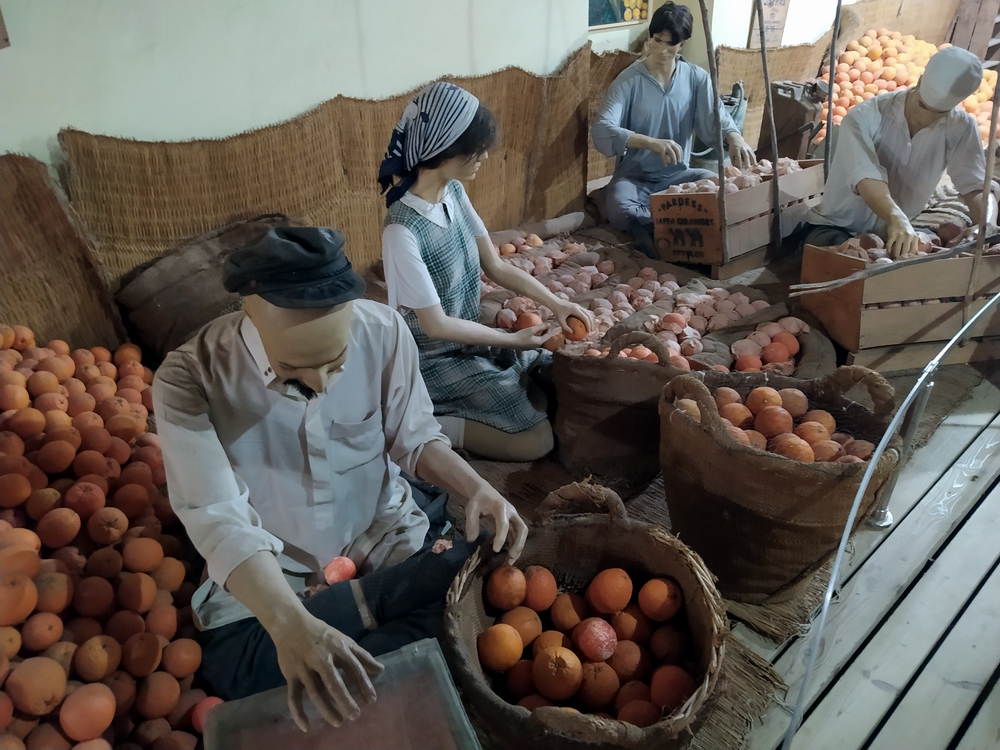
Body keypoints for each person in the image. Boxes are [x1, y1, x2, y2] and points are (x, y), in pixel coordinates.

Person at [153, 226, 528, 732]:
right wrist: (289, 625)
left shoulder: (384, 331)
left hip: (379, 531)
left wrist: (475, 486)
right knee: (239, 671)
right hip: (277, 569)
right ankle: (392, 607)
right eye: (294, 371)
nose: (321, 384)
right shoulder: (188, 380)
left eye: (337, 364)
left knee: (477, 616)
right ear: (252, 316)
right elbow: (220, 520)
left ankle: (369, 615)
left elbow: (414, 436)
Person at [378, 81, 594, 463]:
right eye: (477, 150)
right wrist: (512, 340)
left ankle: (467, 402)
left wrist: (557, 303)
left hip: (470, 339)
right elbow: (437, 326)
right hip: (432, 358)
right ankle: (427, 425)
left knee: (553, 377)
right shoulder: (402, 230)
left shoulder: (454, 195)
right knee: (536, 441)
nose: (485, 158)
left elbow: (494, 265)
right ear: (444, 149)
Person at [592, 1, 757, 256]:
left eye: (671, 45)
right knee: (620, 208)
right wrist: (650, 142)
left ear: (682, 44)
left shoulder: (696, 78)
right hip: (636, 180)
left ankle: (660, 222)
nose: (662, 50)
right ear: (651, 37)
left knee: (714, 187)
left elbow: (717, 117)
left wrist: (734, 137)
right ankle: (671, 220)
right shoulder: (629, 80)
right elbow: (603, 127)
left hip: (678, 178)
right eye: (657, 40)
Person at [803, 45, 997, 256]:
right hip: (837, 227)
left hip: (898, 235)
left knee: (928, 262)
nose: (927, 118)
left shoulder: (961, 126)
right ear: (920, 81)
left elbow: (975, 185)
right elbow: (867, 178)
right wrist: (897, 218)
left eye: (939, 113)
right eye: (923, 106)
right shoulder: (866, 116)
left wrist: (985, 225)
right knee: (846, 257)